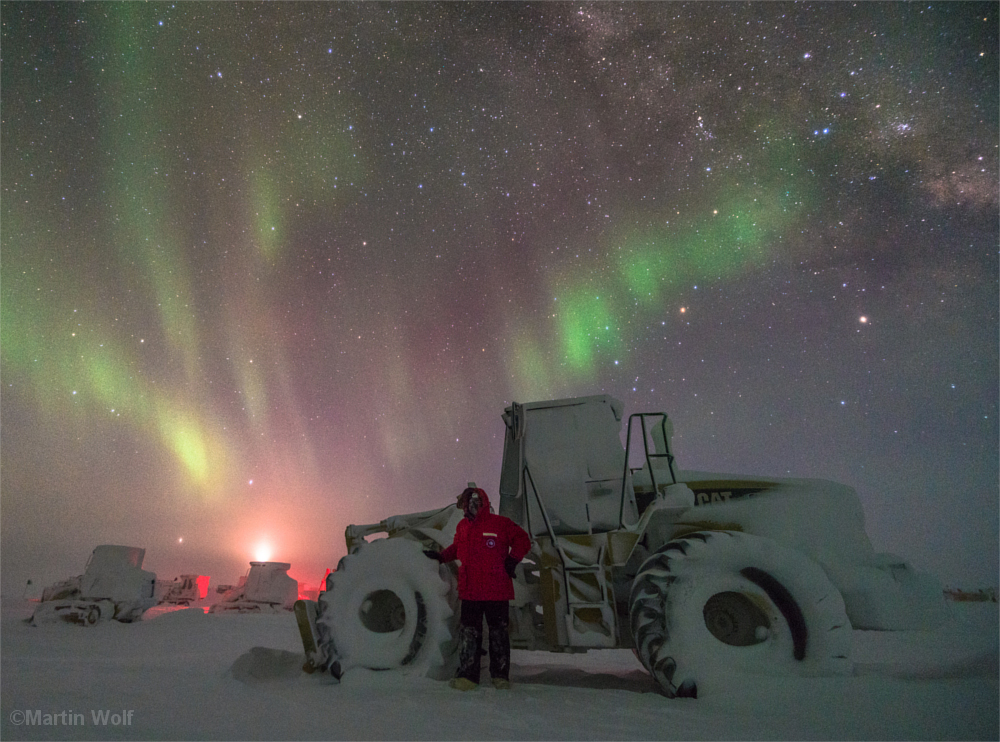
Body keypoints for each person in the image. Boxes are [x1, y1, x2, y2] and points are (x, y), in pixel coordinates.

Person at [425, 486, 531, 691]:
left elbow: (522, 540)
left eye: (475, 501)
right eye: (468, 502)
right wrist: (440, 557)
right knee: (469, 634)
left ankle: (500, 676)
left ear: (483, 502)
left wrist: (512, 560)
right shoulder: (462, 527)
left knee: (498, 633)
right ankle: (468, 677)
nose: (471, 505)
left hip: (496, 591)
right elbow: (457, 549)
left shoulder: (500, 523)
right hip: (471, 592)